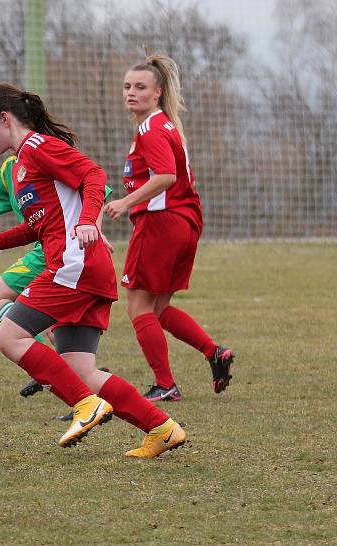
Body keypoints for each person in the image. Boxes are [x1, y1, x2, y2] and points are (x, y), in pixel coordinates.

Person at [0, 83, 187, 458]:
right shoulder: (18, 169)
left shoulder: (38, 147)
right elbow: (38, 226)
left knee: (9, 336)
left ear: (5, 119)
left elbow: (94, 176)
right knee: (82, 370)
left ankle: (85, 405)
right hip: (84, 268)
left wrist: (87, 221)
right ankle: (163, 429)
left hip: (75, 265)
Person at [0, 162, 113, 415]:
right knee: (50, 325)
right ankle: (69, 377)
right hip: (44, 249)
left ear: (8, 120)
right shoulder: (8, 170)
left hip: (59, 253)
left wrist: (92, 228)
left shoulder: (46, 153)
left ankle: (51, 367)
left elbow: (96, 190)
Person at [103, 53, 234, 402]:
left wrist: (125, 203)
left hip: (161, 224)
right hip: (185, 223)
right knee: (157, 310)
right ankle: (214, 352)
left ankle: (166, 385)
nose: (131, 92)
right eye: (127, 86)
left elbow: (166, 176)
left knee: (138, 308)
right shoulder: (166, 126)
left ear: (157, 93)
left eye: (140, 87)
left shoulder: (151, 130)